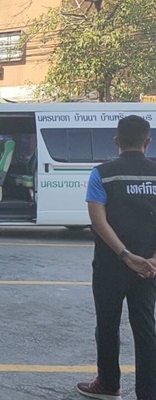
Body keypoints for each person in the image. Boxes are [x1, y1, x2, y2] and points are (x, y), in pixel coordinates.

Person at [79, 115, 156, 400]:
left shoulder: (102, 173)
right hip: (148, 268)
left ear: (116, 141)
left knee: (108, 325)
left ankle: (109, 385)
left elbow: (98, 221)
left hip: (111, 265)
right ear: (147, 142)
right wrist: (151, 260)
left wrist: (125, 255)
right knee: (146, 326)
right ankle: (148, 392)